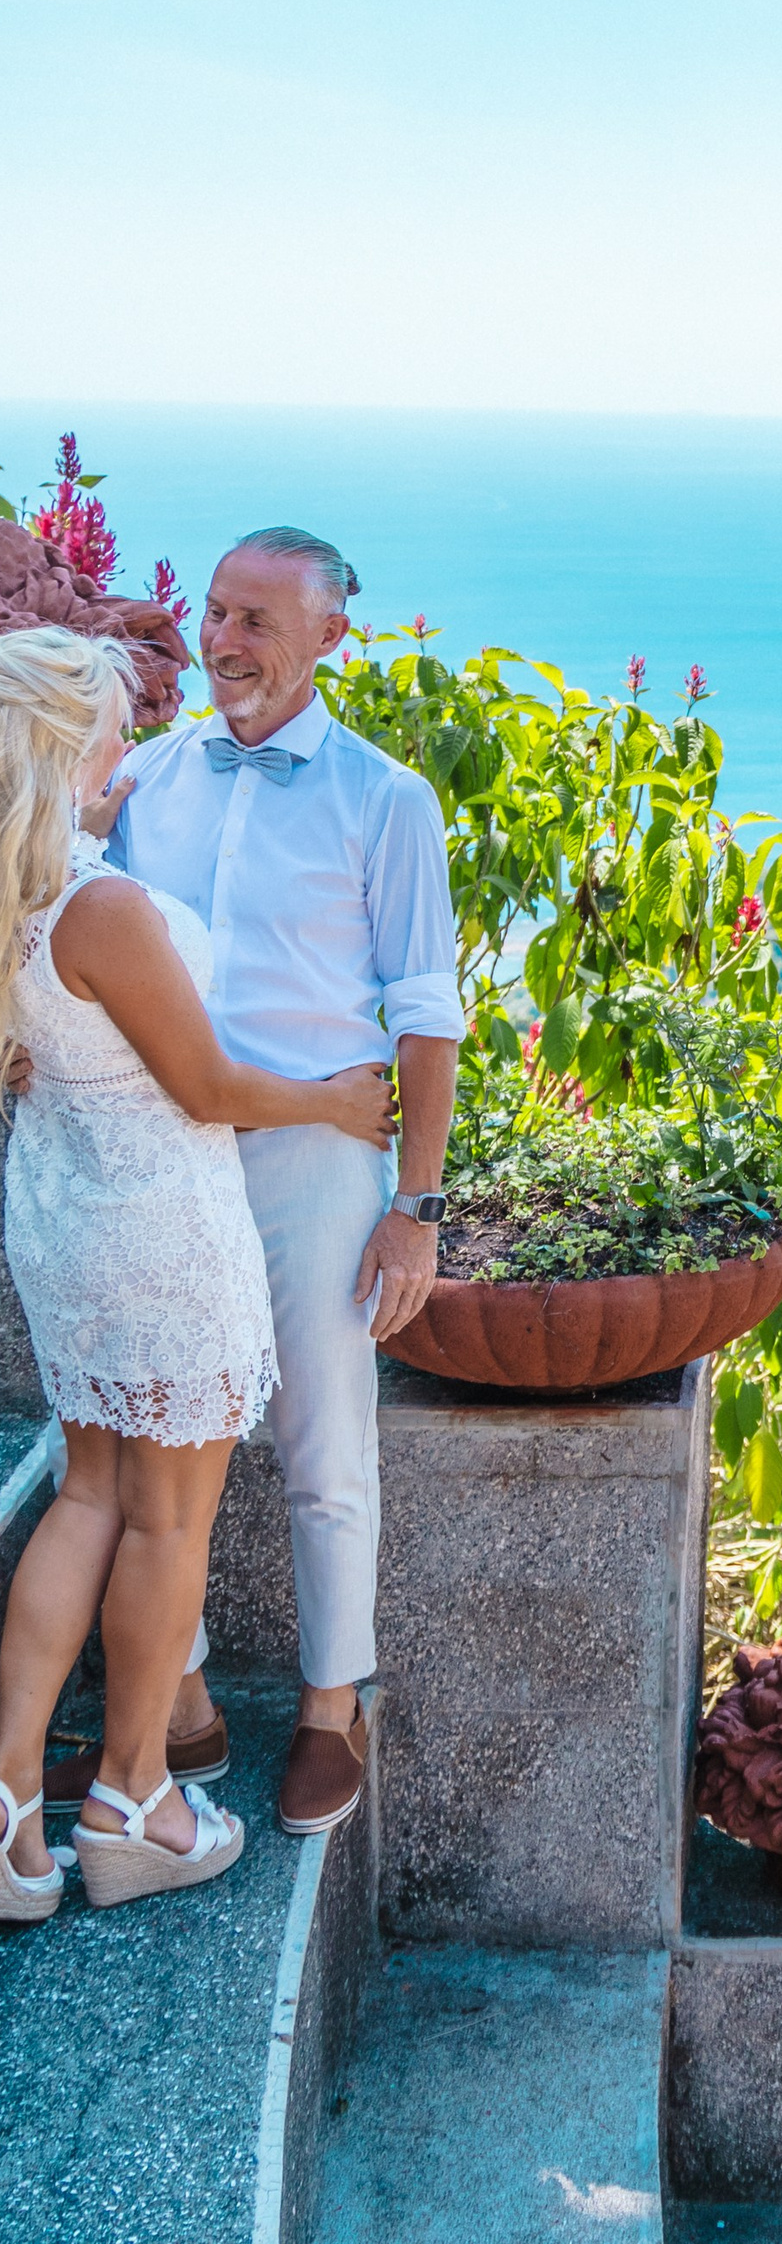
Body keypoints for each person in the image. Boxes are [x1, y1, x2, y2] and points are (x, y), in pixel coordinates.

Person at [41, 528, 464, 1837]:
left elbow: (427, 1013)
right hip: (170, 1163)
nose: (225, 643)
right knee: (143, 1438)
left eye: (257, 623)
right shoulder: (148, 782)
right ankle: (180, 1705)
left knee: (323, 1444)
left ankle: (333, 1711)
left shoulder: (386, 800)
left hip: (321, 1161)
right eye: (217, 615)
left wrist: (416, 1207)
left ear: (331, 638)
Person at [0, 628, 398, 1917]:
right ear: (66, 749)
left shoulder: (23, 891)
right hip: (162, 1230)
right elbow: (208, 1086)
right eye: (110, 728)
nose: (130, 745)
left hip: (67, 1214)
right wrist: (340, 1106)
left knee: (90, 1497)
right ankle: (134, 1805)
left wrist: (89, 819)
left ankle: (11, 1813)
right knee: (170, 1517)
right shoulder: (101, 908)